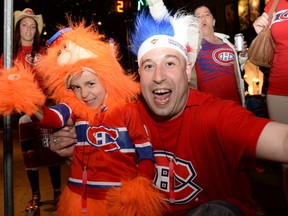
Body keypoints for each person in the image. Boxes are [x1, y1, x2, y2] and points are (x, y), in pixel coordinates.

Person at [49, 1, 288, 215]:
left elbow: (282, 141)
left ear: (186, 70)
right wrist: (76, 149)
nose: (159, 77)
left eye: (170, 63)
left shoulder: (214, 115)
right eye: (149, 66)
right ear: (139, 74)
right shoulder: (124, 115)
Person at [12, 21, 167, 216]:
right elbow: (51, 118)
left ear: (106, 78)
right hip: (79, 200)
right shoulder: (76, 109)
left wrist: (141, 186)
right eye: (76, 87)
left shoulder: (129, 111)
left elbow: (145, 155)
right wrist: (25, 98)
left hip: (119, 203)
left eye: (91, 83)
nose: (84, 94)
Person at [0, 8, 63, 210]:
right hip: (24, 113)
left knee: (51, 151)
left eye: (32, 26)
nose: (28, 29)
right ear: (19, 29)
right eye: (25, 25)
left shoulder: (44, 53)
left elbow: (54, 81)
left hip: (46, 108)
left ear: (37, 31)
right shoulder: (9, 55)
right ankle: (35, 195)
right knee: (30, 155)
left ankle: (57, 192)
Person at [253, 0, 288, 205]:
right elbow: (271, 40)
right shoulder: (274, 3)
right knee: (286, 160)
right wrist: (261, 30)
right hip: (278, 87)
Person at [190, 4, 248, 106]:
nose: (203, 18)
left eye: (207, 15)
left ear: (213, 21)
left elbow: (239, 69)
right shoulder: (193, 47)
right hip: (209, 107)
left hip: (235, 105)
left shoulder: (228, 44)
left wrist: (242, 55)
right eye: (198, 17)